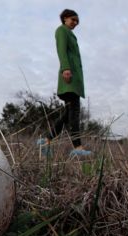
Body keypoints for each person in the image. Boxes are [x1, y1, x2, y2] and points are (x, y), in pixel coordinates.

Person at [38, 9, 91, 156]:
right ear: (65, 18)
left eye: (77, 21)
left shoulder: (71, 34)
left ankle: (46, 141)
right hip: (69, 78)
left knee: (68, 114)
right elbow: (61, 50)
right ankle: (77, 148)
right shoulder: (62, 31)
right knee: (74, 112)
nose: (75, 23)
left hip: (75, 80)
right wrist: (66, 68)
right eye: (73, 19)